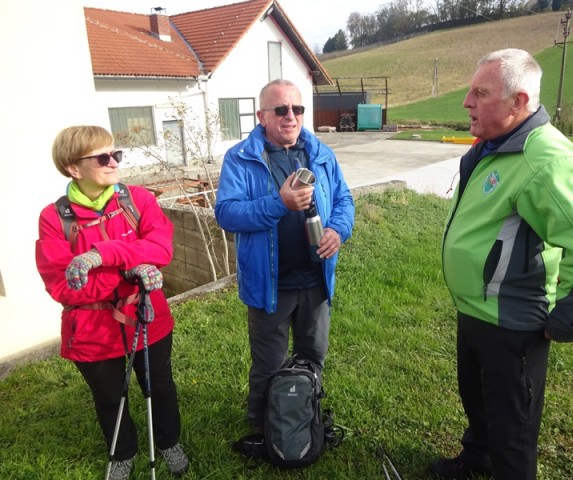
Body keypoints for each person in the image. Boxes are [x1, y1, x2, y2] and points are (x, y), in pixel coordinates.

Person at [430, 49, 573, 480]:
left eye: (480, 93)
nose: (466, 102)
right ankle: (478, 457)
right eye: (470, 91)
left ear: (518, 102)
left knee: (512, 427)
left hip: (511, 321)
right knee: (478, 401)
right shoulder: (493, 146)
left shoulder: (546, 158)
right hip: (476, 308)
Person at [35, 126, 189, 480]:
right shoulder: (54, 218)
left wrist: (98, 255)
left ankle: (168, 442)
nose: (113, 162)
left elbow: (162, 248)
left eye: (115, 154)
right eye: (102, 157)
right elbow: (62, 284)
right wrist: (131, 272)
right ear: (74, 167)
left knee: (159, 385)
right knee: (109, 398)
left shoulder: (137, 199)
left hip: (146, 316)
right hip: (91, 330)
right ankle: (123, 453)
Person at [214, 79, 355, 433]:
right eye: (280, 110)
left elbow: (344, 201)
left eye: (297, 108)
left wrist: (338, 230)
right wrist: (279, 204)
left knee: (313, 356)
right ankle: (263, 430)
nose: (290, 116)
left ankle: (305, 418)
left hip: (316, 279)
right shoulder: (241, 158)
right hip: (270, 285)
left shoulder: (320, 152)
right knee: (269, 365)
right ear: (262, 116)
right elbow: (227, 214)